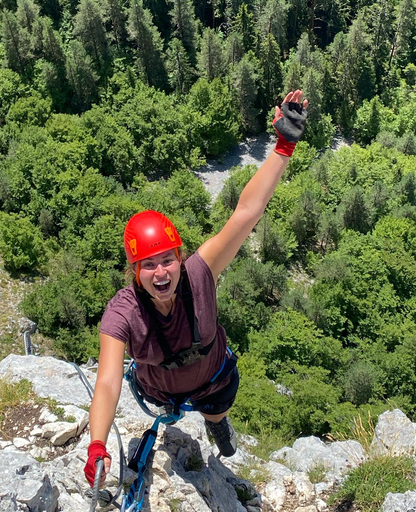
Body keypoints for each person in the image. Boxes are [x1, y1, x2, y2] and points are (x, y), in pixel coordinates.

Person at [84, 90, 308, 487]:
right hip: (160, 393)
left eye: (167, 259)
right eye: (148, 265)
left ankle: (217, 424)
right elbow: (107, 380)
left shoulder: (201, 271)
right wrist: (97, 444)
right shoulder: (123, 314)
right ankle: (208, 419)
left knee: (216, 411)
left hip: (214, 381)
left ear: (180, 256)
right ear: (134, 270)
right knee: (183, 398)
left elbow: (246, 213)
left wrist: (283, 146)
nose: (161, 272)